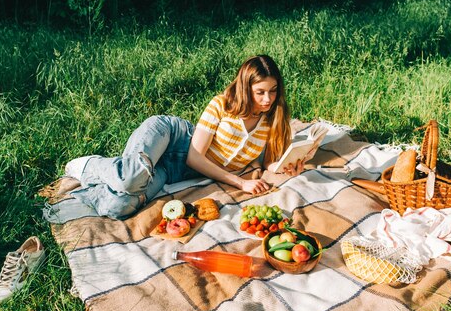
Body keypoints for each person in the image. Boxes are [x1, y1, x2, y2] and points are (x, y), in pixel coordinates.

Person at [54, 55, 306, 220]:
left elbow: (269, 162)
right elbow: (195, 158)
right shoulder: (222, 105)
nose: (268, 99)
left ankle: (98, 180)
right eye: (260, 92)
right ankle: (90, 164)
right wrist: (240, 184)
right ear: (245, 88)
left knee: (117, 208)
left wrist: (288, 167)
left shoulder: (272, 118)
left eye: (273, 91)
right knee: (131, 177)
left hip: (174, 171)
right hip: (171, 137)